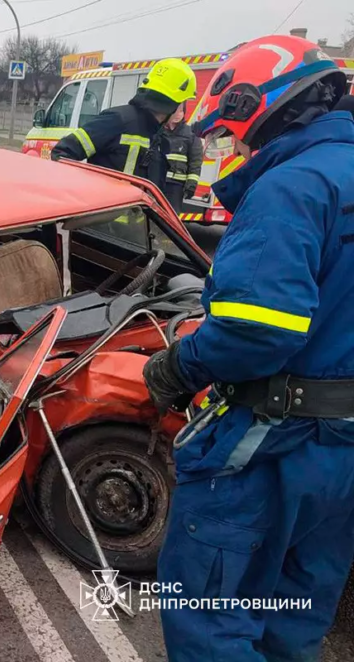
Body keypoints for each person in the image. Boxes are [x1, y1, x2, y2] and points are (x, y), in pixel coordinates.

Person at [141, 35, 354, 661]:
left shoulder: (292, 188)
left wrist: (179, 364)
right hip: (341, 448)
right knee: (295, 607)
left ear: (256, 107)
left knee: (210, 613)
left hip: (276, 440)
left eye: (233, 134)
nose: (235, 148)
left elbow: (256, 330)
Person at [51, 58, 197, 191]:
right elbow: (62, 154)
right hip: (103, 219)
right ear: (174, 104)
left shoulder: (158, 138)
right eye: (183, 102)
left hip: (137, 220)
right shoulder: (117, 120)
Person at [159, 102, 203, 216]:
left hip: (176, 185)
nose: (179, 114)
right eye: (176, 111)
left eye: (181, 111)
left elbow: (196, 161)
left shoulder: (191, 134)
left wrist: (191, 184)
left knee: (172, 216)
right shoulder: (158, 131)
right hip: (157, 182)